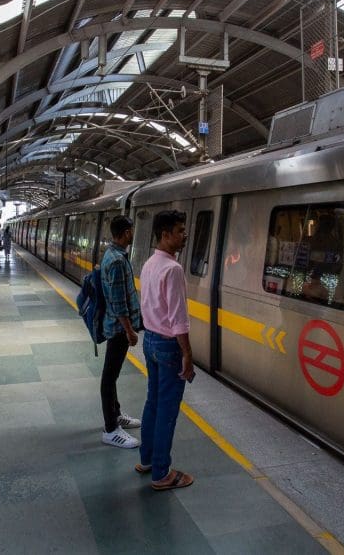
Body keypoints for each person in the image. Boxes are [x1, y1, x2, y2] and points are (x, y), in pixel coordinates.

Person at [138, 209, 194, 491]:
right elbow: (178, 319)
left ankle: (146, 459)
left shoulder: (150, 264)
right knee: (167, 410)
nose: (185, 236)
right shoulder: (173, 269)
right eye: (180, 231)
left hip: (150, 341)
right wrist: (187, 354)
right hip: (168, 344)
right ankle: (161, 473)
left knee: (153, 402)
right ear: (165, 234)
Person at [99, 215, 142, 449]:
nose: (133, 234)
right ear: (126, 233)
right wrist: (130, 331)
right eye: (132, 231)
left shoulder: (114, 255)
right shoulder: (116, 260)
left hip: (117, 327)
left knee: (112, 375)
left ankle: (115, 415)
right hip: (118, 329)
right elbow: (118, 303)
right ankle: (110, 429)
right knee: (109, 377)